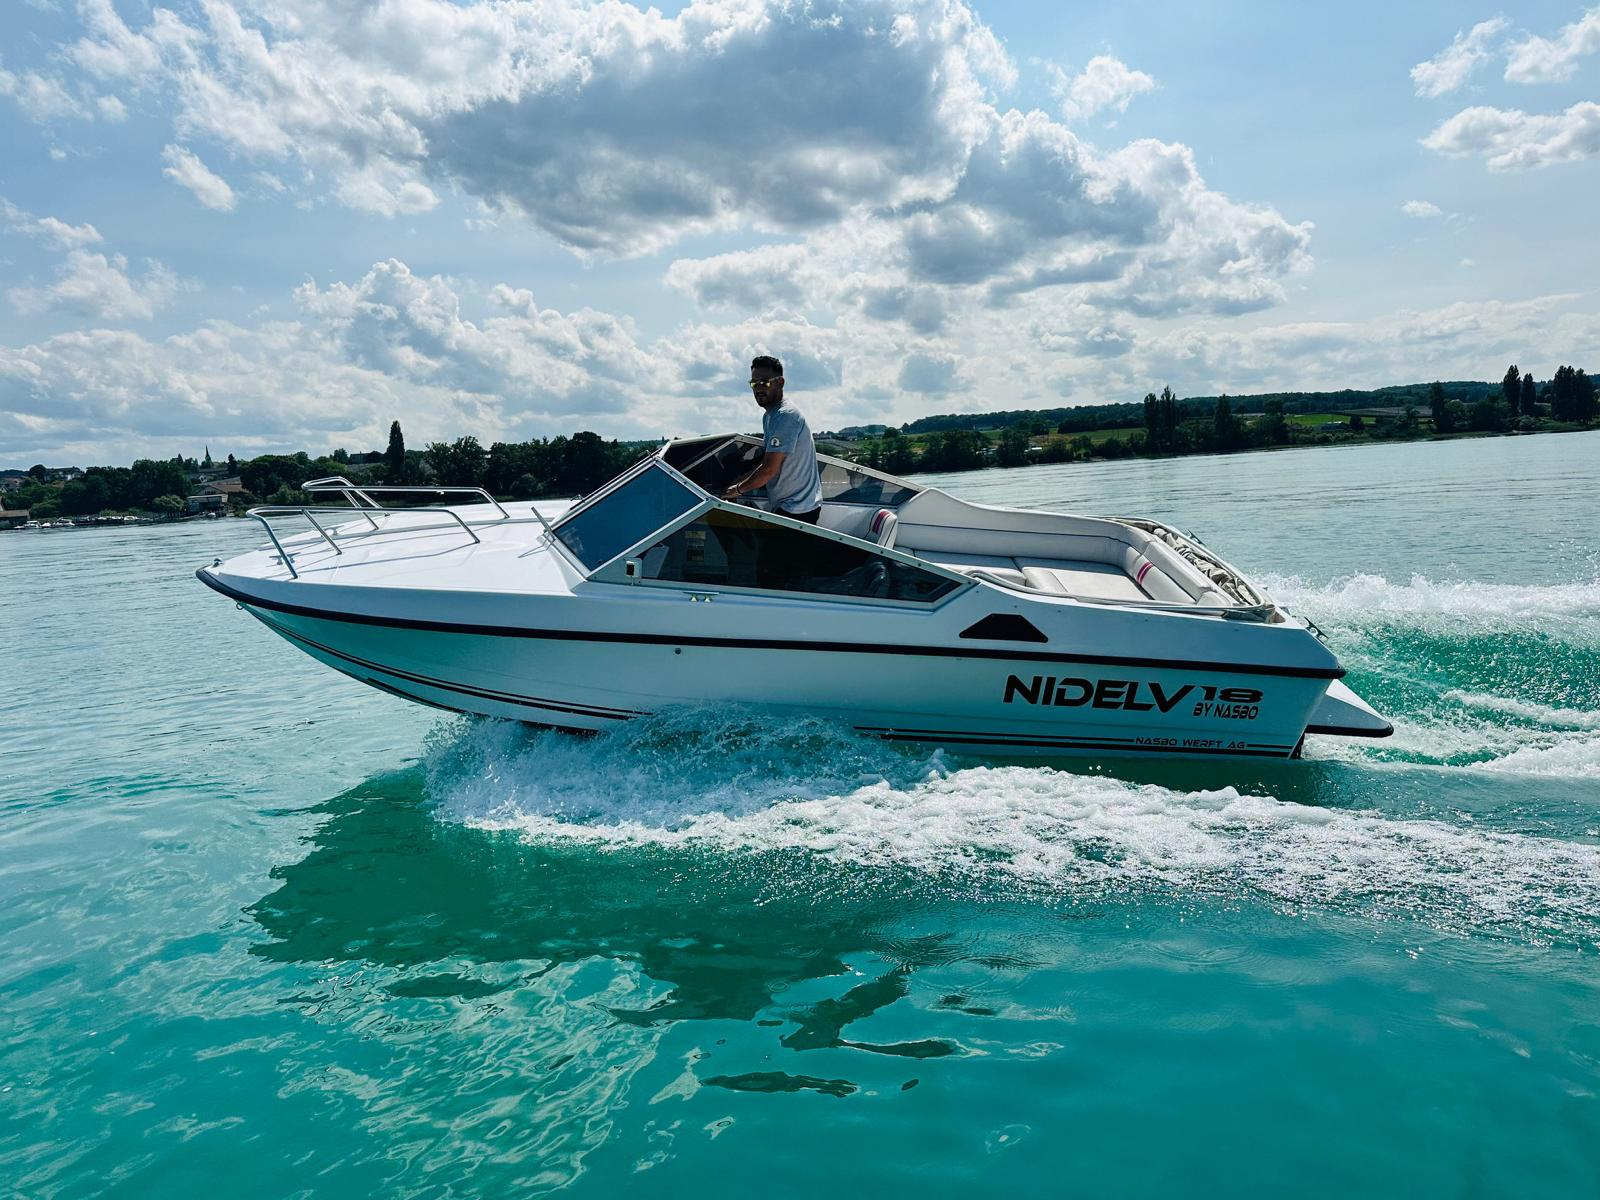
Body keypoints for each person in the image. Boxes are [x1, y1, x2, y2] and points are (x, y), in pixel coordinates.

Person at [721, 354, 823, 523]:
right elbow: (766, 462)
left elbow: (769, 469)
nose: (758, 388)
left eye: (765, 382)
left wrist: (737, 490)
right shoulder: (770, 416)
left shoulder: (786, 415)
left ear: (780, 382)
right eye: (754, 383)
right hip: (787, 506)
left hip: (797, 509)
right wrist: (737, 483)